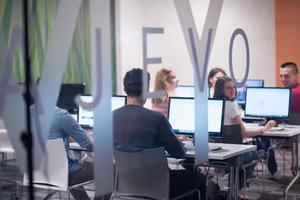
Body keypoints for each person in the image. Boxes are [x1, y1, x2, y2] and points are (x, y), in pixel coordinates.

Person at [113, 68, 210, 200]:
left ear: (125, 89)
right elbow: (179, 153)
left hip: (125, 186)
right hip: (159, 185)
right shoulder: (156, 119)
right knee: (197, 178)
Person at [213, 76, 279, 185]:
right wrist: (264, 129)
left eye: (233, 87)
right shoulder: (231, 106)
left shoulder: (213, 104)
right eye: (228, 88)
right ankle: (230, 186)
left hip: (214, 151)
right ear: (221, 91)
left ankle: (226, 185)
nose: (233, 90)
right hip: (231, 152)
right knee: (254, 155)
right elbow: (242, 134)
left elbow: (233, 129)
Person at [48, 105, 94, 199]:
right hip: (63, 173)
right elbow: (88, 144)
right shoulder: (61, 115)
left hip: (35, 172)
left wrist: (67, 137)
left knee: (75, 166)